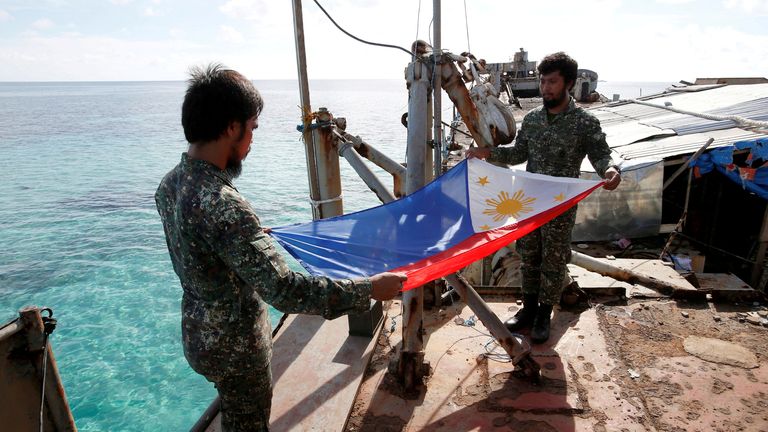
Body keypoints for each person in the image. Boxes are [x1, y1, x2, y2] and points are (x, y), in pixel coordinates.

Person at [155, 63, 406, 432]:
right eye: (251, 128)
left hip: (199, 336)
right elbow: (285, 290)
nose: (252, 140)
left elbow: (203, 249)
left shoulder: (171, 185)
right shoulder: (223, 205)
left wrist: (247, 239)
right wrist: (369, 289)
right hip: (237, 351)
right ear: (230, 127)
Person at [466, 52, 621, 344]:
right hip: (530, 204)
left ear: (569, 84)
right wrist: (487, 154)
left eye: (552, 81)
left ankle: (543, 314)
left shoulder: (584, 123)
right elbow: (518, 153)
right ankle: (527, 309)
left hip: (560, 206)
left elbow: (601, 154)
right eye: (542, 81)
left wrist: (611, 170)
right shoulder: (534, 120)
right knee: (529, 257)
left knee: (553, 260)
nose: (545, 87)